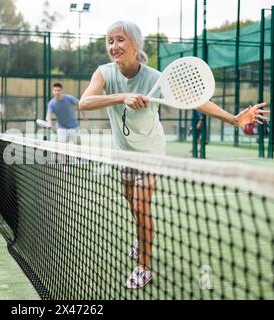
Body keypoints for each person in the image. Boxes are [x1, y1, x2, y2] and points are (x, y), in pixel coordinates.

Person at [78, 20, 269, 289]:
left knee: (141, 206)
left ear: (135, 45)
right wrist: (123, 96)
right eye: (110, 41)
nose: (114, 46)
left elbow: (196, 100)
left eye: (120, 40)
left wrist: (233, 120)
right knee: (130, 199)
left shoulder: (155, 78)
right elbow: (84, 102)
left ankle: (144, 266)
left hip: (152, 153)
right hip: (123, 153)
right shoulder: (105, 73)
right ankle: (141, 238)